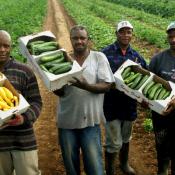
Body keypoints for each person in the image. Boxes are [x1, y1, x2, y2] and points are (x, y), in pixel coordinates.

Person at [54, 25, 114, 175]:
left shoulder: (98, 57)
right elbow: (60, 92)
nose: (79, 41)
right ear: (70, 39)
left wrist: (86, 86)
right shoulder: (64, 59)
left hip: (90, 122)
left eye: (82, 38)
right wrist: (56, 85)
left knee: (95, 167)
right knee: (71, 167)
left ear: (88, 40)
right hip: (67, 121)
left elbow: (107, 85)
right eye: (75, 38)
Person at [102, 21, 147, 175]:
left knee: (126, 138)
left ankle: (124, 164)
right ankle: (110, 169)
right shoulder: (105, 54)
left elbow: (146, 78)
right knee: (113, 142)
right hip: (111, 105)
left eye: (129, 32)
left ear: (132, 34)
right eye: (122, 32)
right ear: (117, 33)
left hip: (129, 105)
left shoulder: (137, 57)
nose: (126, 35)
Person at [0, 30, 42, 175]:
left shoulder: (24, 71)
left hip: (23, 141)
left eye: (6, 46)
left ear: (11, 47)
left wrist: (24, 118)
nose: (2, 49)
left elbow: (36, 102)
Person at [149, 21, 175, 175]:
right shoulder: (158, 59)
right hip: (161, 114)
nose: (173, 40)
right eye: (170, 36)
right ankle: (162, 171)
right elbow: (148, 84)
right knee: (162, 148)